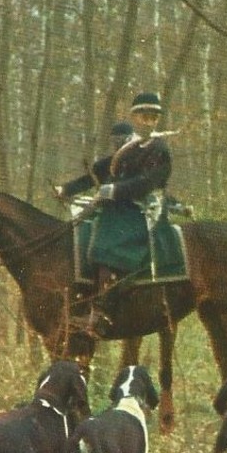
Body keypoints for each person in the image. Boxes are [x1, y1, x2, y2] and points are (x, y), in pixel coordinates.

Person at [53, 92, 172, 332]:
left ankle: (103, 312)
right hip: (123, 204)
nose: (148, 122)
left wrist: (113, 191)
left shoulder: (159, 149)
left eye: (153, 118)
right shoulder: (128, 147)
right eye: (143, 117)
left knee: (108, 237)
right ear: (134, 118)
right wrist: (66, 189)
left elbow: (147, 182)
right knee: (85, 224)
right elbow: (95, 175)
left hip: (144, 208)